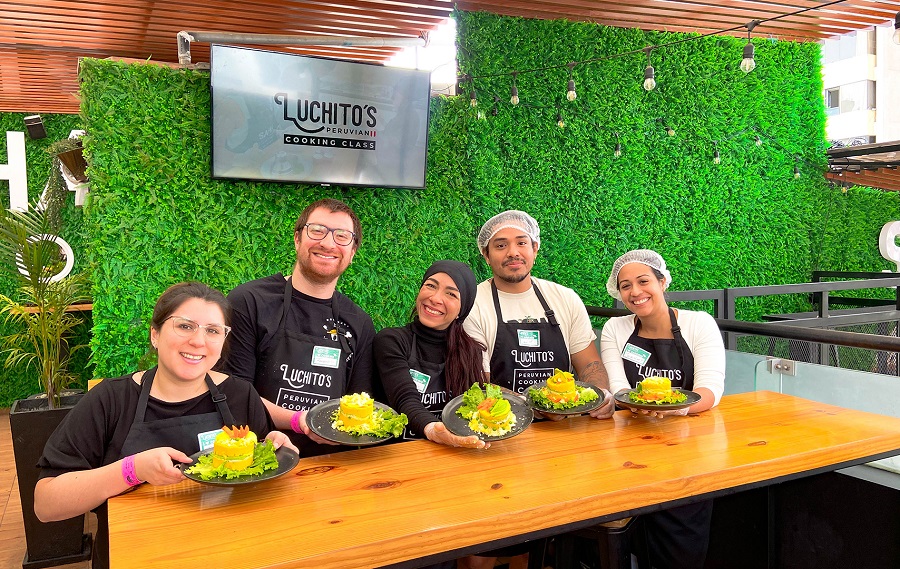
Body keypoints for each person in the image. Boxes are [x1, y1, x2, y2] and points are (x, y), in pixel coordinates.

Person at [35, 282, 295, 568]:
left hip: (225, 551)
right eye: (185, 326)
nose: (199, 341)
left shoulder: (240, 395)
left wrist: (272, 448)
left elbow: (255, 480)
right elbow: (46, 504)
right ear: (155, 334)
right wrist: (131, 470)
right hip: (136, 556)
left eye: (212, 330)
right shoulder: (110, 400)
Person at [461, 210, 616, 569]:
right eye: (501, 245)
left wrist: (600, 397)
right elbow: (479, 382)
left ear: (535, 248)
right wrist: (534, 405)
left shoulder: (563, 298)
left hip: (564, 439)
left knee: (545, 538)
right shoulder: (476, 303)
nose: (512, 252)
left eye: (521, 243)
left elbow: (590, 364)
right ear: (487, 256)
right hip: (501, 436)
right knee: (487, 543)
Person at [600, 249, 726, 569]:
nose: (635, 292)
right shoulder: (616, 330)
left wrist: (677, 409)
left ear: (663, 281)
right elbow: (619, 390)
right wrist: (642, 405)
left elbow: (710, 389)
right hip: (632, 450)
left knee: (681, 547)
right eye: (625, 285)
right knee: (631, 536)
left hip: (689, 454)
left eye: (644, 281)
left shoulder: (699, 324)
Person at [221, 198, 376, 456]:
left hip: (330, 463)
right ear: (297, 239)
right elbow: (234, 395)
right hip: (259, 459)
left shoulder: (359, 322)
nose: (328, 243)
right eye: (317, 230)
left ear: (352, 253)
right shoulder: (249, 302)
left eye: (342, 236)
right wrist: (299, 421)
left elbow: (359, 406)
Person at [376, 260, 488, 449]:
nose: (436, 298)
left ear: (463, 309)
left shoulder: (471, 352)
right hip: (397, 455)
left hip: (452, 453)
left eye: (451, 294)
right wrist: (433, 429)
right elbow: (405, 397)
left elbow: (472, 410)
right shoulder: (391, 341)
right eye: (430, 286)